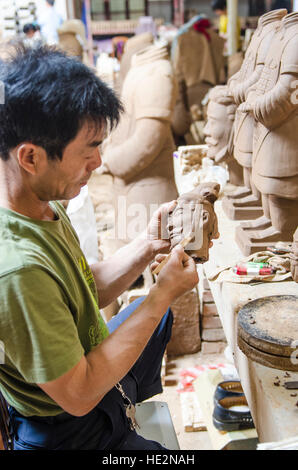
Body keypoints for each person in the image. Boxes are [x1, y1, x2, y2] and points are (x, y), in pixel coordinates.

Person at [0, 44, 199, 450]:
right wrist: (161, 294)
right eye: (89, 147)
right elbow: (79, 392)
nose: (99, 161)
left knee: (154, 322)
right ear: (32, 157)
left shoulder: (43, 204)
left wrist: (148, 244)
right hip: (69, 428)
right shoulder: (18, 269)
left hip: (91, 393)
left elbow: (85, 284)